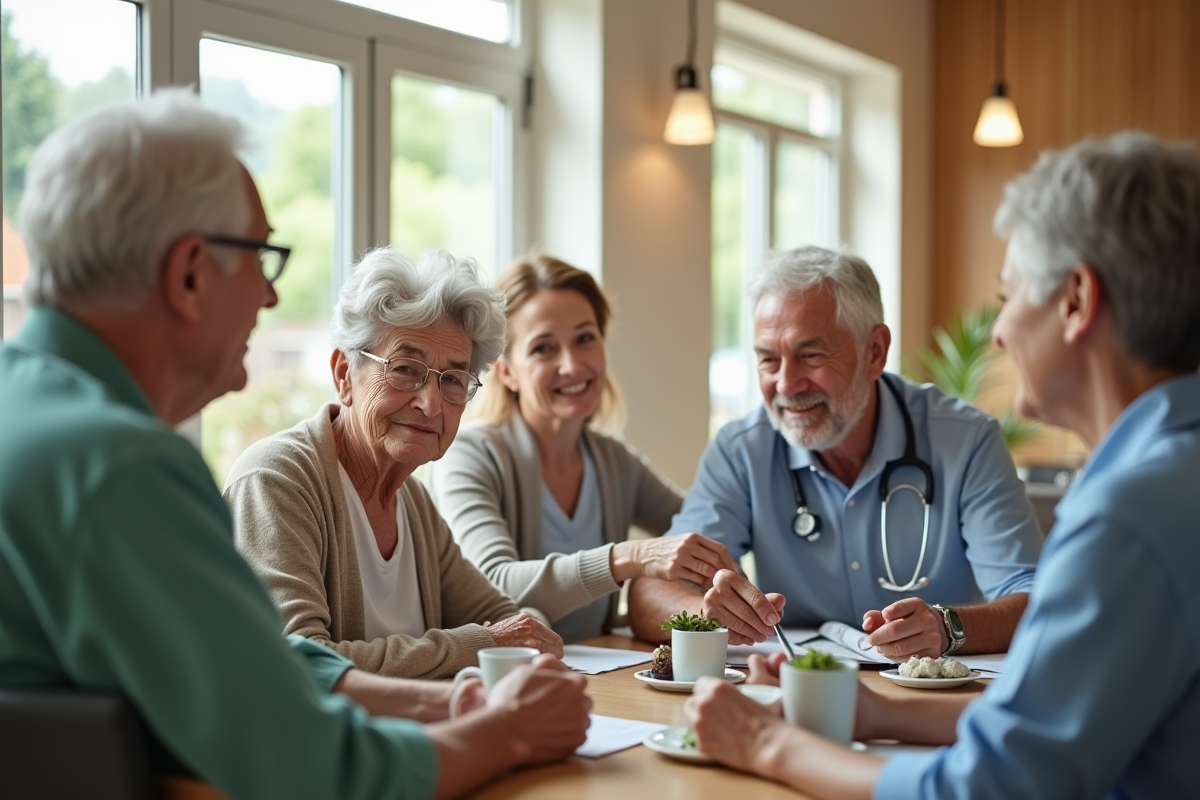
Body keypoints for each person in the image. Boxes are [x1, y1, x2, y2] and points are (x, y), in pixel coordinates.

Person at [0, 90, 591, 800]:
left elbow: (264, 675)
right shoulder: (121, 467)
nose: (270, 296)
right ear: (189, 273)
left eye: (453, 379)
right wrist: (510, 731)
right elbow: (312, 763)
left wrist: (446, 698)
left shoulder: (28, 413)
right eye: (261, 256)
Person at [683, 132, 1200, 799]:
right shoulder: (1170, 475)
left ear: (1076, 300)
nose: (1000, 332)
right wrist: (877, 713)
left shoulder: (1129, 514)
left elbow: (987, 788)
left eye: (1009, 296)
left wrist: (764, 743)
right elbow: (1059, 721)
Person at [630, 246, 1044, 659]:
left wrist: (947, 627)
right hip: (797, 684)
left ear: (874, 351)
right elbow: (651, 591)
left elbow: (1034, 598)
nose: (786, 384)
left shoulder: (967, 441)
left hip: (929, 685)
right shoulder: (741, 451)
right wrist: (706, 615)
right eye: (769, 360)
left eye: (810, 356)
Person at [224, 247, 564, 680]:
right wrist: (481, 644)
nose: (431, 403)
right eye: (405, 369)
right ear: (343, 374)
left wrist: (527, 633)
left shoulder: (414, 501)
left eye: (453, 379)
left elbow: (504, 618)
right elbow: (301, 663)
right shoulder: (276, 479)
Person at [428, 255, 737, 643]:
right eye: (543, 348)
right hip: (513, 675)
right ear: (507, 371)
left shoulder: (613, 460)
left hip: (604, 668)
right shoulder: (470, 455)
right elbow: (493, 585)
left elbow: (701, 530)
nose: (572, 365)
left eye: (585, 339)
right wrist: (629, 558)